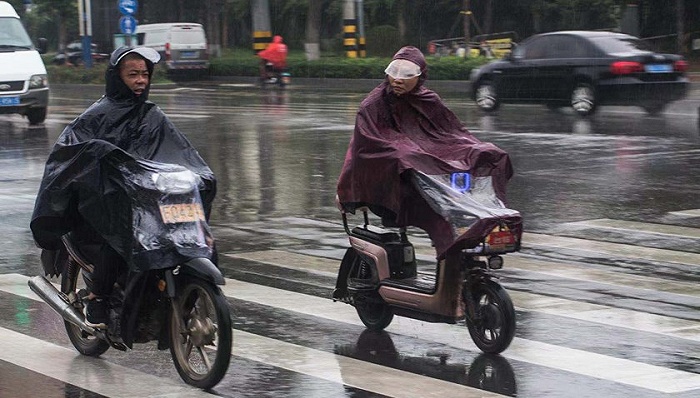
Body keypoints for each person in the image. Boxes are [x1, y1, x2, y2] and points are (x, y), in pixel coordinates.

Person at [30, 46, 216, 329]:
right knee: (120, 236)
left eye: (144, 74)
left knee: (196, 233)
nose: (141, 80)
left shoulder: (153, 116)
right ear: (117, 77)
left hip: (147, 201)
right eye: (133, 75)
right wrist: (100, 159)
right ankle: (97, 298)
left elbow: (179, 151)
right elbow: (69, 157)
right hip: (103, 208)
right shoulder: (94, 117)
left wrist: (198, 174)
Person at [336, 46, 513, 260]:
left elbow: (454, 134)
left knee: (490, 153)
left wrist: (475, 151)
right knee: (406, 157)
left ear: (420, 77)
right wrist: (409, 152)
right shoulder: (372, 105)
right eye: (394, 74)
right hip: (387, 180)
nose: (398, 80)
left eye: (407, 75)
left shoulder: (429, 101)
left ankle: (488, 211)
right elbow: (368, 147)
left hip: (428, 168)